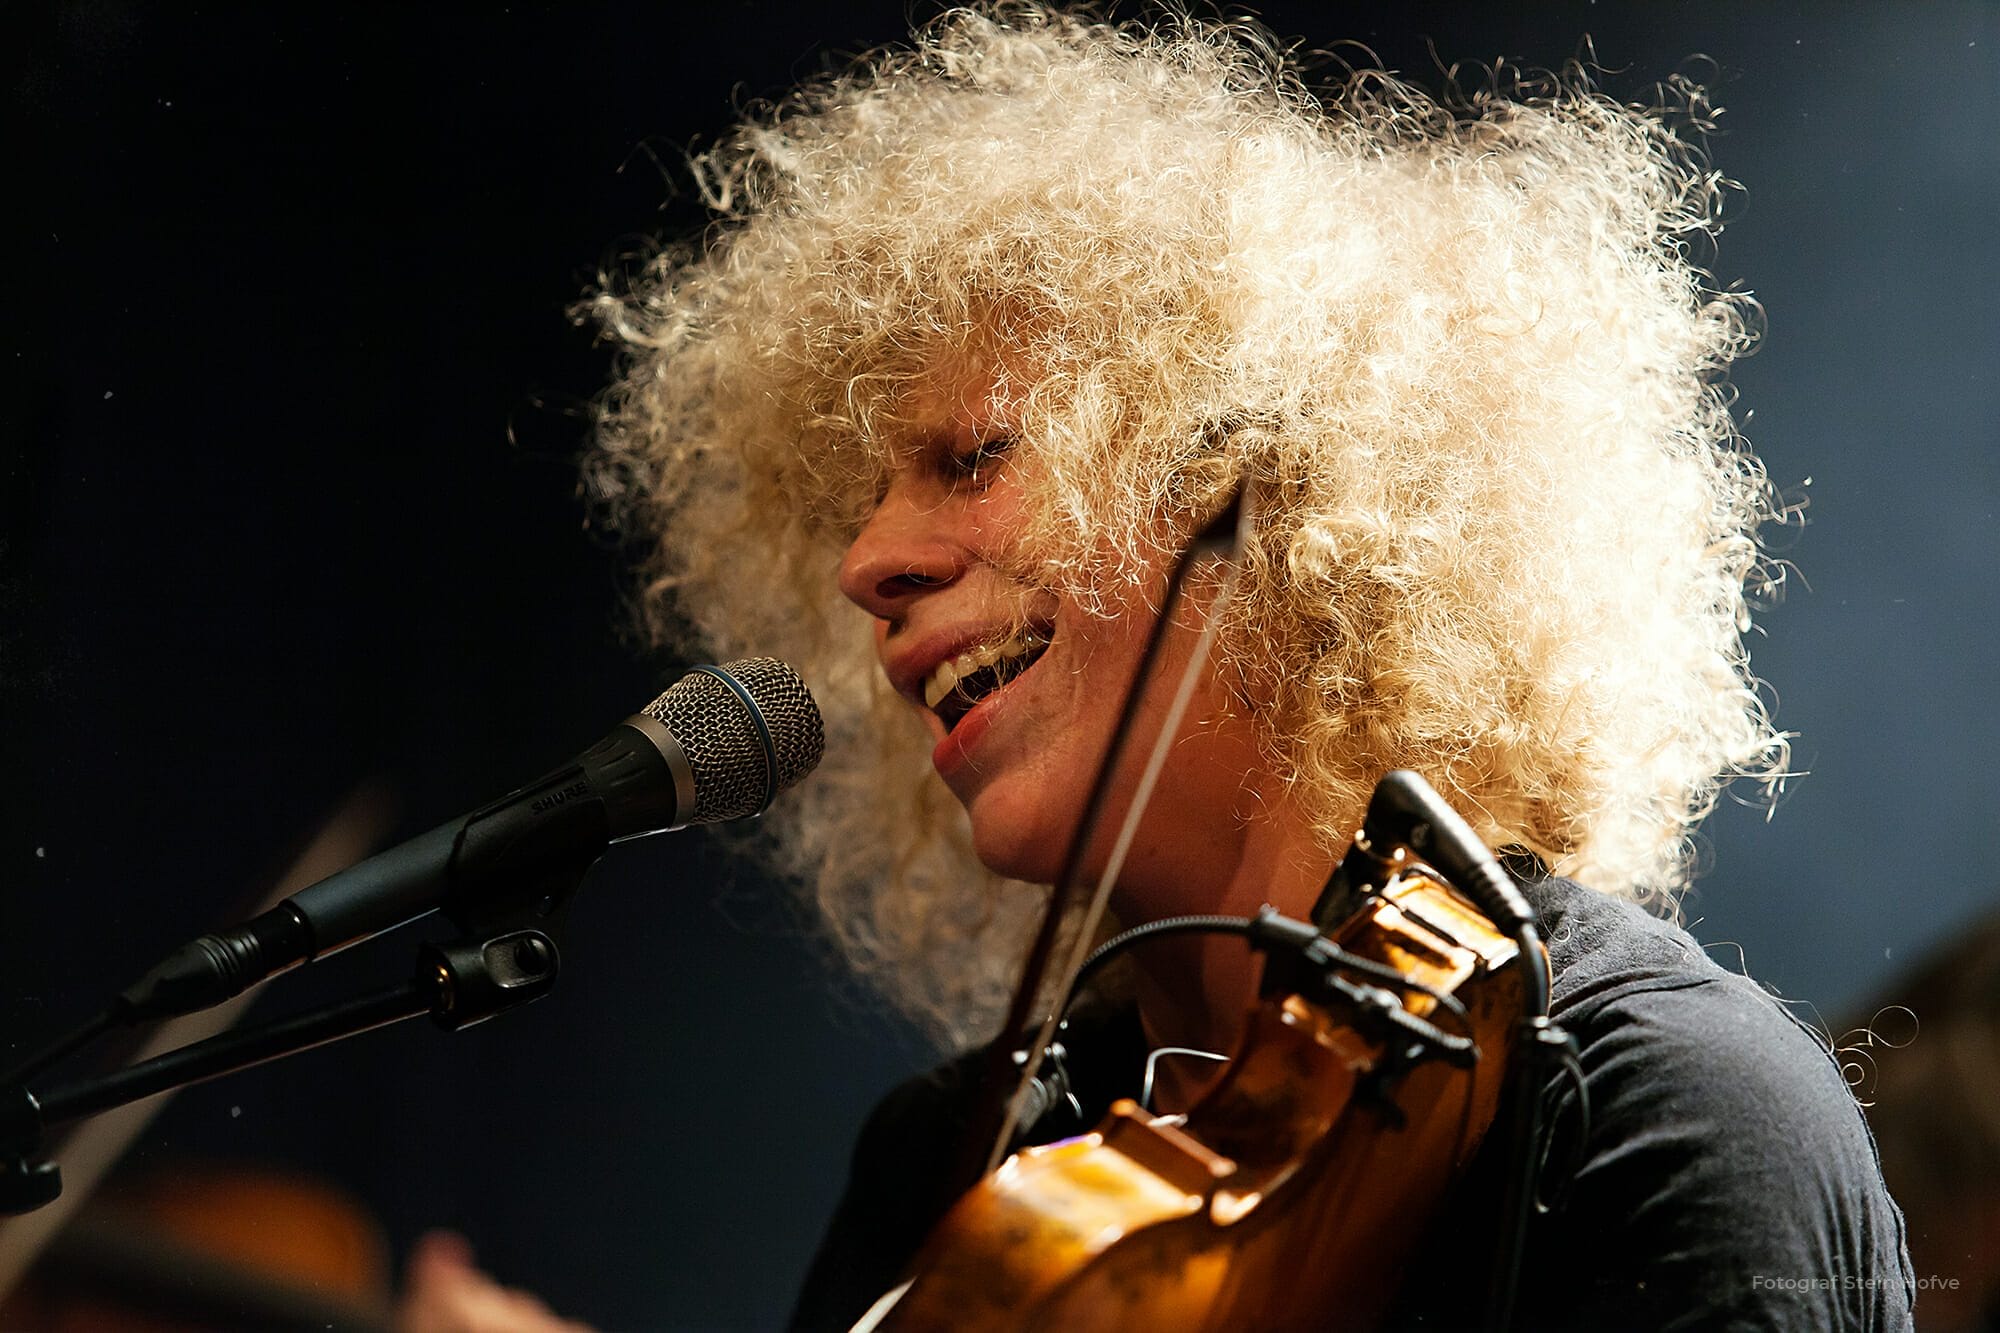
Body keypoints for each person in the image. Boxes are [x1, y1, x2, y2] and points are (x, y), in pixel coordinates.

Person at [408, 4, 1915, 1328]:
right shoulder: (953, 1165)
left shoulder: (1659, 1115)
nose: (867, 563)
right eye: (859, 505)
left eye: (971, 458)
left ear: (1265, 482)